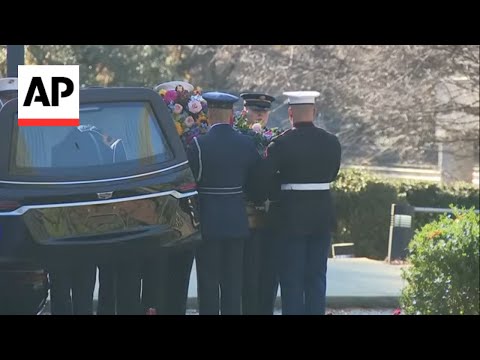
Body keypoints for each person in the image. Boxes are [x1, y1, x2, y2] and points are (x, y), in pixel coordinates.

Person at [261, 91, 341, 315]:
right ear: (314, 112)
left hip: (291, 216)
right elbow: (333, 174)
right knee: (316, 276)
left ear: (290, 114)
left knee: (291, 277)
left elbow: (265, 178)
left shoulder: (281, 143)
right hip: (321, 216)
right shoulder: (332, 142)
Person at [186, 92, 262, 315]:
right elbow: (254, 181)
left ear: (209, 115)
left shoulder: (199, 144)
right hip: (236, 220)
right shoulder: (246, 143)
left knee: (208, 282)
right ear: (232, 116)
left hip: (208, 221)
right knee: (232, 282)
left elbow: (192, 180)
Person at [238, 92, 280, 315]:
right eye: (256, 111)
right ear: (245, 111)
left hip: (269, 219)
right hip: (243, 216)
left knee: (268, 274)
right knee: (247, 274)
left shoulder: (275, 140)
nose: (260, 115)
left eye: (264, 112)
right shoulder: (238, 138)